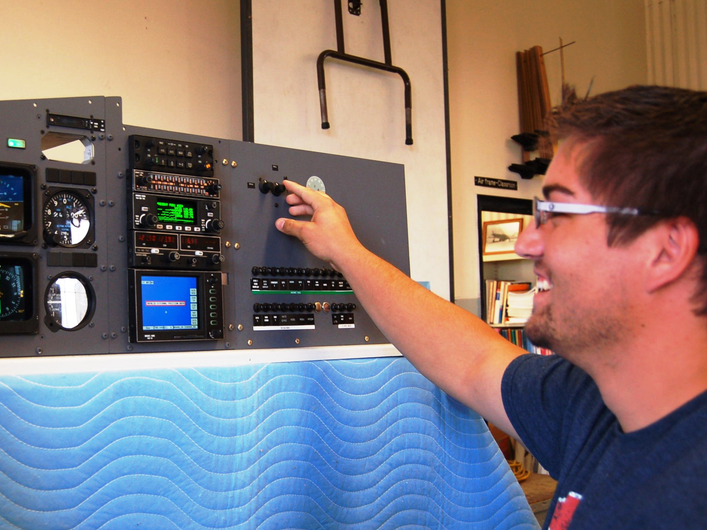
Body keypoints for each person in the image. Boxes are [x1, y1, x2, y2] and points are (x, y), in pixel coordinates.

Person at [275, 85, 707, 530]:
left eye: (558, 213)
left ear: (666, 250)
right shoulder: (593, 403)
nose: (526, 242)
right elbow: (472, 360)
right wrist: (345, 251)